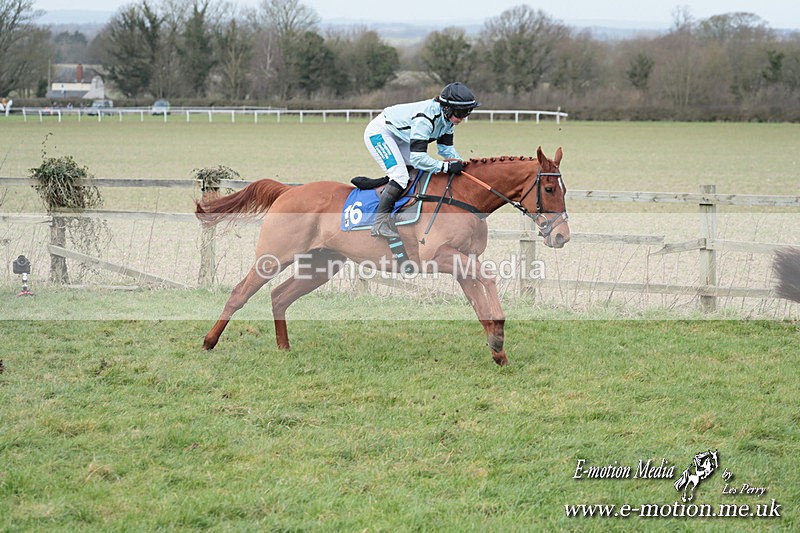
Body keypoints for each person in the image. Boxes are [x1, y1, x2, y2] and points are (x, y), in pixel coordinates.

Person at [364, 82, 480, 239]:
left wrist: (461, 165)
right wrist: (446, 167)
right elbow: (418, 158)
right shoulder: (425, 118)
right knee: (400, 176)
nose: (463, 117)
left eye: (467, 112)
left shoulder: (448, 120)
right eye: (460, 112)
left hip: (401, 136)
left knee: (414, 173)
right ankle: (379, 224)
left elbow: (445, 149)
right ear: (446, 108)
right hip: (380, 133)